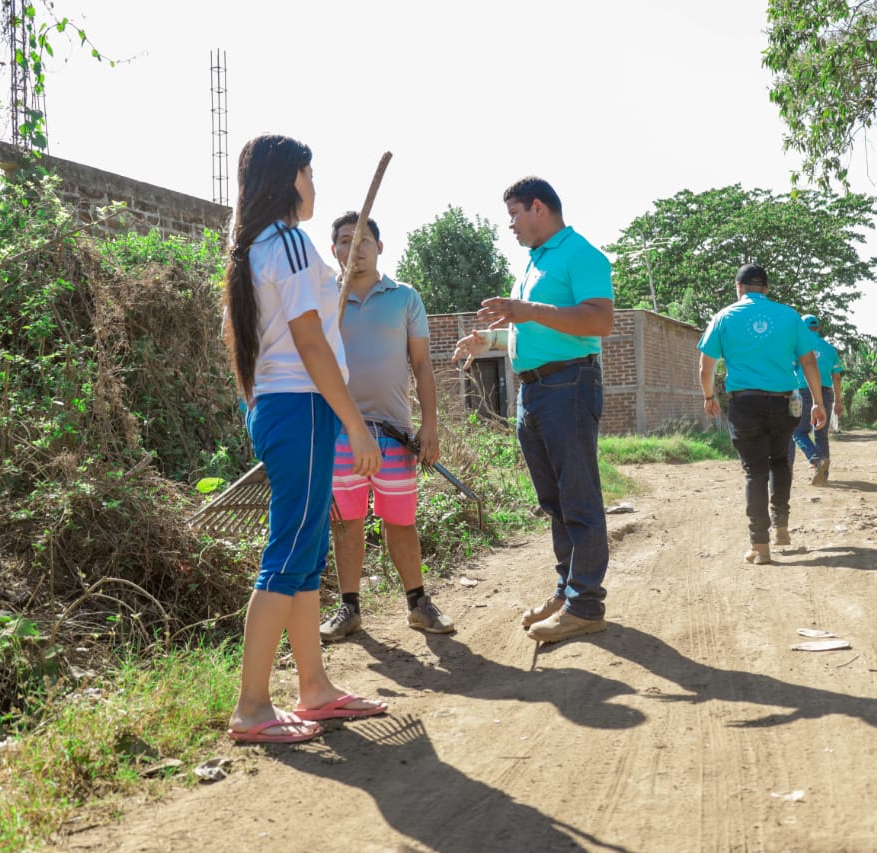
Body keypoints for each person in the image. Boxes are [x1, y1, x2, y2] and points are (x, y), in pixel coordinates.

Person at [222, 134, 388, 744]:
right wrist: (352, 421)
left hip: (284, 407)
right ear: (292, 177)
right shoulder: (287, 242)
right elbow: (310, 342)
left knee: (303, 554)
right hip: (302, 408)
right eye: (310, 174)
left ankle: (313, 689)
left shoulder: (257, 246)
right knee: (288, 554)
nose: (315, 186)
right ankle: (252, 708)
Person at [451, 176, 614, 643]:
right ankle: (566, 593)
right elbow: (536, 327)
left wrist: (528, 309)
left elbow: (599, 321)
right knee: (555, 500)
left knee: (578, 495)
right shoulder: (533, 263)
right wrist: (491, 340)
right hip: (536, 390)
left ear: (538, 207)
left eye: (515, 214)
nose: (511, 226)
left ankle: (586, 604)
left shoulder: (581, 254)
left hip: (570, 383)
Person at [318, 212, 455, 641]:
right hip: (341, 431)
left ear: (380, 247)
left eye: (363, 241)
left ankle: (418, 604)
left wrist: (430, 425)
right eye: (344, 241)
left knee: (400, 520)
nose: (353, 249)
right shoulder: (324, 299)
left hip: (394, 432)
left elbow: (421, 365)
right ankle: (349, 609)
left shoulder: (404, 297)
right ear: (333, 250)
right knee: (347, 522)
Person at [698, 264, 826, 564]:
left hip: (746, 404)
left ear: (738, 287)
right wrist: (818, 402)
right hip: (785, 403)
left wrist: (708, 395)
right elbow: (808, 362)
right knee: (780, 461)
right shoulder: (789, 316)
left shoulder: (725, 317)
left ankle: (761, 545)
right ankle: (781, 526)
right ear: (766, 289)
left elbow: (706, 365)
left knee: (754, 471)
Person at [789, 313, 845, 486]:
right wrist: (839, 401)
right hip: (826, 394)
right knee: (821, 434)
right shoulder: (830, 349)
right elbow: (836, 377)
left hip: (803, 392)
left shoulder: (797, 347)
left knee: (797, 431)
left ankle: (815, 460)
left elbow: (789, 370)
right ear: (817, 328)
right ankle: (823, 476)